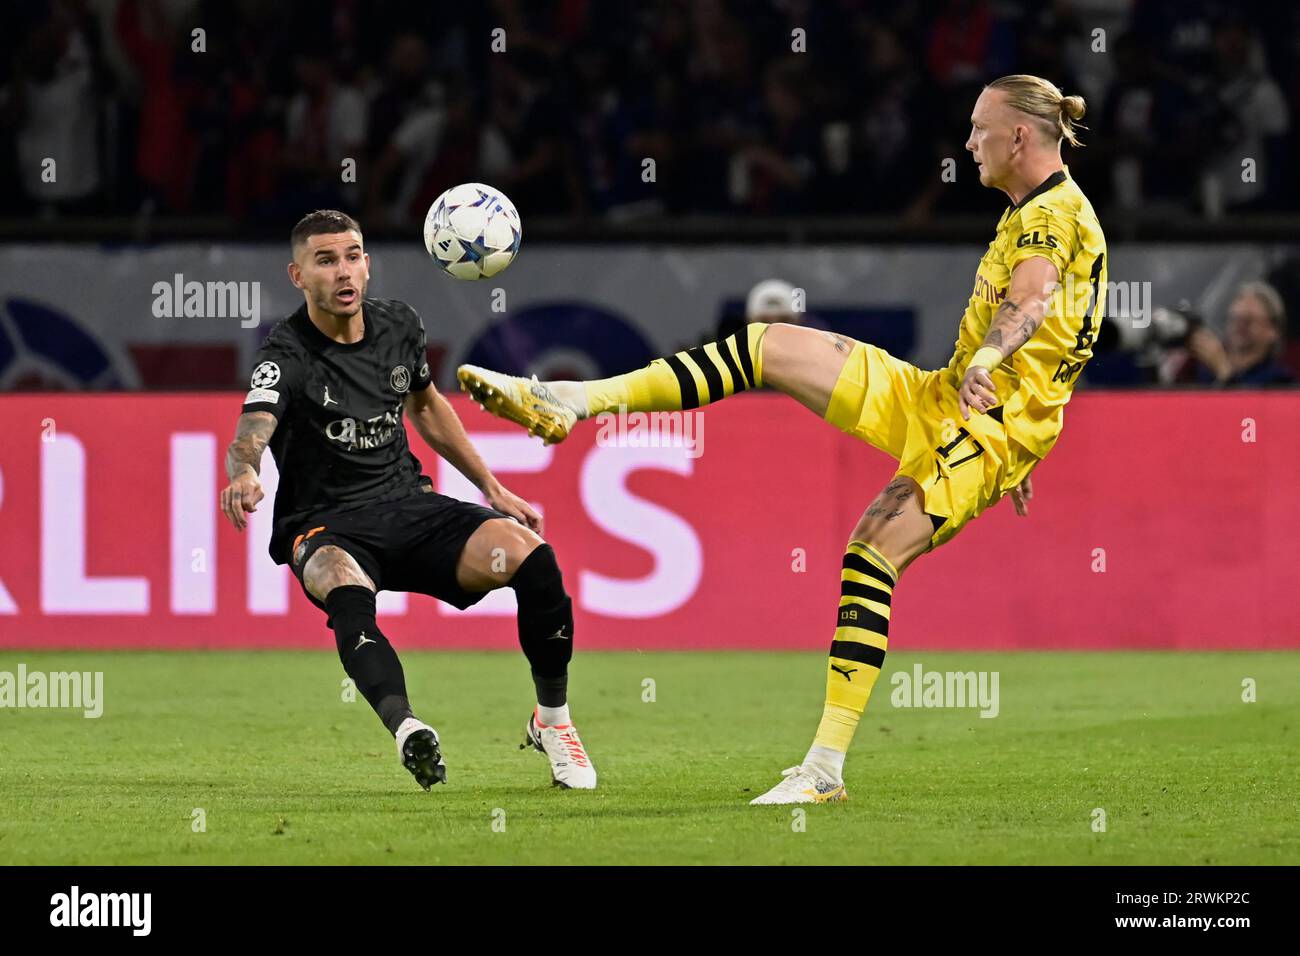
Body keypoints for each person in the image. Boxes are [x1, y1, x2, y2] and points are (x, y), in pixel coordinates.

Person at [458, 74, 1106, 805]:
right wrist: (1013, 399)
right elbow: (1061, 334)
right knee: (767, 343)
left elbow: (1031, 300)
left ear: (1019, 136)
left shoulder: (1052, 217)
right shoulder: (1039, 210)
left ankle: (824, 771)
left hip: (982, 419)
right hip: (946, 397)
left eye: (978, 128)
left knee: (870, 554)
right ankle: (572, 399)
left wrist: (999, 395)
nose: (968, 143)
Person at [218, 210, 596, 791]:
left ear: (368, 264)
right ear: (298, 276)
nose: (343, 271)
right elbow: (252, 430)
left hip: (410, 508)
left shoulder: (400, 326)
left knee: (533, 558)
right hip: (325, 524)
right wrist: (244, 471)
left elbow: (425, 406)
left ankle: (554, 722)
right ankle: (407, 728)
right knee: (343, 588)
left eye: (352, 255)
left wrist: (490, 487)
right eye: (325, 260)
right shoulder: (286, 353)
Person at [1185, 281, 1295, 386]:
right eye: (1235, 318)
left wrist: (1224, 372)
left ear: (1272, 331)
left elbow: (1247, 405)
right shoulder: (1204, 371)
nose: (1239, 326)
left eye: (1248, 320)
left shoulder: (1280, 381)